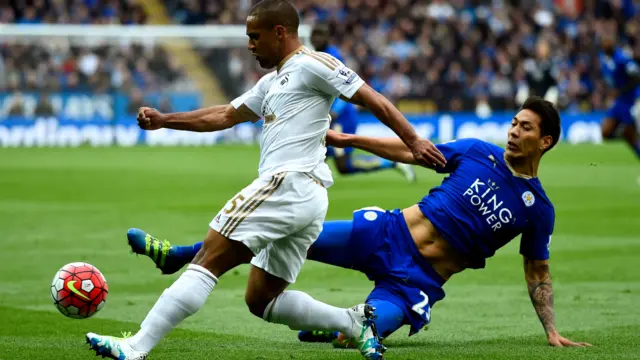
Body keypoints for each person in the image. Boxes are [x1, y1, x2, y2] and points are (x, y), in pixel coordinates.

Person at [84, 1, 445, 360]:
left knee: (209, 256)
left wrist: (413, 141)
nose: (249, 45)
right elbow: (224, 115)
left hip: (289, 182)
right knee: (262, 298)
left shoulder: (314, 64)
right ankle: (353, 323)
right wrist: (166, 120)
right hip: (305, 196)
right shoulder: (271, 81)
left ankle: (136, 346)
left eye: (254, 37)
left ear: (280, 32)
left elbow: (372, 99)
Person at [129, 97, 592, 354]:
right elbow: (413, 151)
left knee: (365, 330)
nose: (514, 130)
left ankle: (334, 329)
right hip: (385, 233)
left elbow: (538, 272)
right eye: (513, 122)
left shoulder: (538, 209)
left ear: (544, 141)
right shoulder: (476, 151)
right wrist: (349, 138)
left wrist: (550, 330)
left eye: (526, 127)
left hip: (418, 281)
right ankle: (180, 255)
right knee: (283, 231)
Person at [311, 24, 416, 182]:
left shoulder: (332, 57)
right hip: (331, 116)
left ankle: (392, 163)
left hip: (342, 118)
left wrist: (335, 111)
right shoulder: (316, 55)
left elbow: (342, 87)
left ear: (328, 38)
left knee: (343, 166)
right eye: (314, 35)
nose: (317, 39)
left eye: (320, 35)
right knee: (317, 156)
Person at [600, 34, 640, 160]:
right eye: (604, 42)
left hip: (630, 101)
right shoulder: (604, 59)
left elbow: (637, 76)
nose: (606, 45)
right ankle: (623, 135)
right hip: (619, 102)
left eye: (608, 42)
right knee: (605, 132)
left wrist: (621, 90)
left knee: (632, 139)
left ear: (613, 44)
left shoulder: (622, 58)